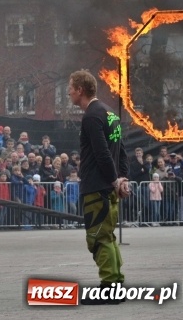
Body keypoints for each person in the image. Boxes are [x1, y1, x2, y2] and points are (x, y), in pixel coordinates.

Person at [68, 69, 129, 305]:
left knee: (98, 238)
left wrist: (114, 180)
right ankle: (116, 285)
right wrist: (122, 178)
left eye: (70, 88)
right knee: (108, 237)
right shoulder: (109, 112)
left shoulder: (91, 116)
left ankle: (109, 290)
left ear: (80, 90)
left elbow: (102, 152)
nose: (69, 93)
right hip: (109, 186)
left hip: (96, 187)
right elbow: (121, 149)